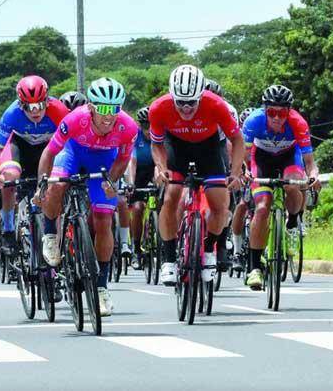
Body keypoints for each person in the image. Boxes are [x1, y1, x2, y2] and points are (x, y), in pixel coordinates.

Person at [37, 77, 138, 317]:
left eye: (114, 109)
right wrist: (42, 182)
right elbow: (50, 152)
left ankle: (101, 287)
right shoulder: (74, 119)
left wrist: (111, 181)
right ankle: (51, 234)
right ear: (91, 107)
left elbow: (123, 159)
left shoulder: (129, 127)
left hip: (104, 161)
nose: (108, 116)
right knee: (56, 186)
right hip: (73, 154)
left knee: (103, 220)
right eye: (102, 109)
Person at [149, 65, 244, 286]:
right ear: (172, 96)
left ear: (201, 95)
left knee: (220, 204)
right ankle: (170, 260)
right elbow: (156, 144)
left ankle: (209, 248)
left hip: (209, 149)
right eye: (180, 102)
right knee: (171, 195)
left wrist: (235, 172)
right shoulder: (158, 108)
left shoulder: (216, 105)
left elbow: (237, 141)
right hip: (177, 148)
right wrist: (161, 167)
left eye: (191, 102)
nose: (186, 108)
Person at [243, 85, 321, 290]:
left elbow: (309, 161)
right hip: (261, 160)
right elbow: (243, 154)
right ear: (264, 110)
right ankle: (254, 268)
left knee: (294, 182)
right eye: (272, 112)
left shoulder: (298, 123)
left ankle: (293, 223)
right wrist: (245, 172)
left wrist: (313, 174)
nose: (277, 117)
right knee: (261, 208)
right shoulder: (253, 121)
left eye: (282, 112)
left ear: (289, 112)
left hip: (289, 157)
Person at [0, 75, 68, 254]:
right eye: (29, 107)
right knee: (10, 178)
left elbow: (72, 145)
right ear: (20, 105)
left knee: (57, 183)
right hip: (19, 146)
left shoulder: (59, 110)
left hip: (47, 149)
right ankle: (8, 229)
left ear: (47, 101)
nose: (35, 111)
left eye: (40, 105)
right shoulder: (11, 114)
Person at [127, 106, 155, 270]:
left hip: (155, 170)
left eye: (150, 125)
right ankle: (136, 249)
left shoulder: (161, 134)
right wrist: (131, 183)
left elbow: (162, 162)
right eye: (144, 126)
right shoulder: (135, 136)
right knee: (137, 208)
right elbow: (132, 161)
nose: (148, 129)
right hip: (138, 174)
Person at [229, 107, 256, 271]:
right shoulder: (236, 138)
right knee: (240, 206)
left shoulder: (259, 134)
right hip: (243, 176)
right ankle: (237, 251)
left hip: (258, 174)